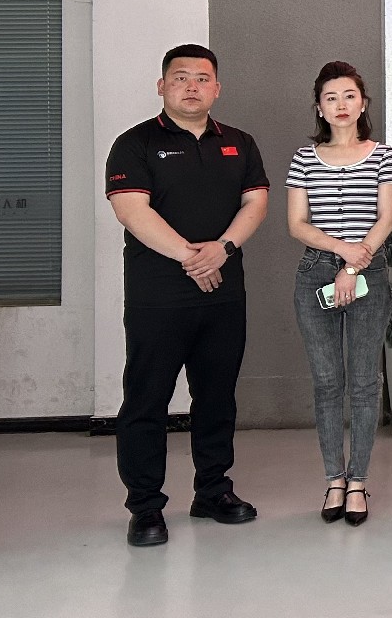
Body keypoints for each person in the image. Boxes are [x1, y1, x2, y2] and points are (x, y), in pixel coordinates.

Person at [105, 44, 270, 547]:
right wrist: (192, 258)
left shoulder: (239, 142)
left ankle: (213, 492)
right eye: (180, 77)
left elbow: (256, 202)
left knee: (217, 397)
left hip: (224, 296)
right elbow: (131, 210)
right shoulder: (134, 143)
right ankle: (145, 507)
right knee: (146, 400)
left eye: (202, 78)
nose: (191, 86)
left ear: (217, 88)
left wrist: (222, 249)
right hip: (158, 298)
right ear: (162, 86)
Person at [285, 61, 392, 527]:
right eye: (331, 98)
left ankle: (358, 481)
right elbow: (297, 224)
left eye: (349, 96)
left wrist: (353, 265)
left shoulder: (382, 154)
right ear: (319, 107)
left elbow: (386, 218)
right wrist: (340, 253)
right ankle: (334, 477)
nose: (341, 105)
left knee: (365, 381)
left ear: (363, 102)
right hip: (315, 273)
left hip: (369, 273)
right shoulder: (304, 157)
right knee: (328, 382)